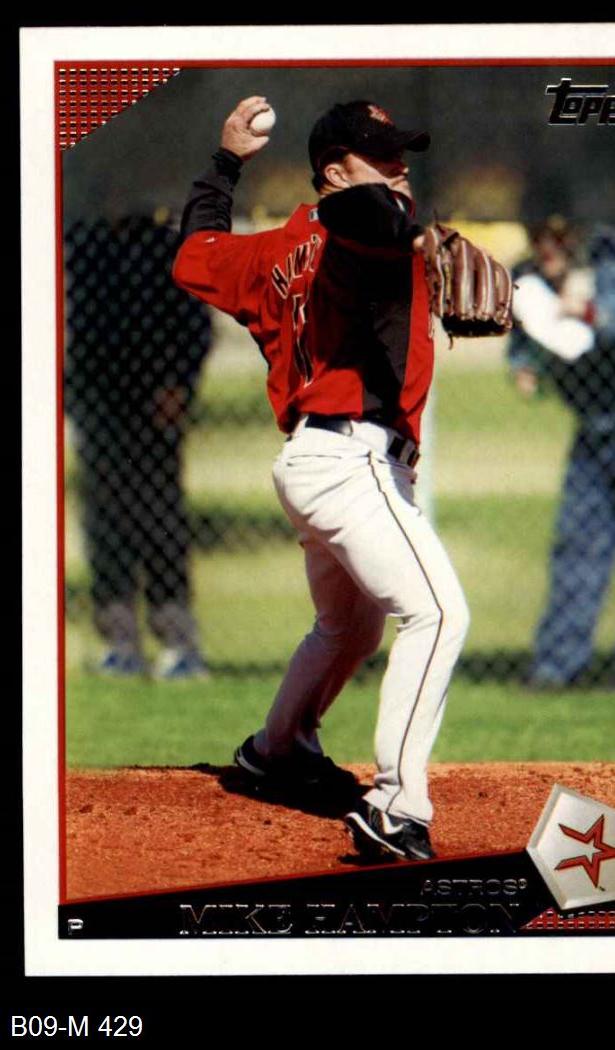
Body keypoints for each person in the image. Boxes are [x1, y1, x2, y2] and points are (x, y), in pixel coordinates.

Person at [173, 96, 472, 861]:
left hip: (316, 462)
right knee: (438, 615)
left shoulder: (274, 250)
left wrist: (225, 164)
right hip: (350, 461)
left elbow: (196, 249)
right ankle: (395, 808)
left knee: (349, 628)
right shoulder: (363, 229)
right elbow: (364, 218)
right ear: (333, 173)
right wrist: (413, 233)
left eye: (401, 153)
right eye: (380, 155)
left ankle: (278, 750)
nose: (399, 167)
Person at [509, 217, 615, 688]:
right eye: (540, 240)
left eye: (559, 239)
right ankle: (557, 668)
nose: (547, 250)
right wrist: (523, 365)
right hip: (592, 433)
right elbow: (523, 339)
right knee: (577, 550)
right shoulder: (529, 284)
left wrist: (593, 313)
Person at [65, 212, 212, 679]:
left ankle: (177, 641)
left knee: (160, 514)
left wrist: (178, 383)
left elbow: (196, 324)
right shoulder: (79, 244)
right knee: (105, 517)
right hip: (96, 400)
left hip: (155, 401)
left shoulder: (166, 248)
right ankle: (119, 640)